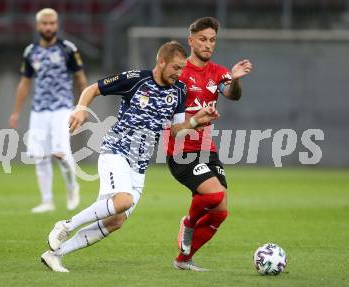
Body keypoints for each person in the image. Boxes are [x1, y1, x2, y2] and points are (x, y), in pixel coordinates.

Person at [40, 40, 220, 272]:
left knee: (116, 220)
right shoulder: (136, 79)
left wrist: (196, 121)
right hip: (116, 151)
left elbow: (176, 130)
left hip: (139, 165)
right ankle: (65, 225)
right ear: (161, 62)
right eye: (175, 67)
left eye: (182, 68)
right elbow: (92, 89)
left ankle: (54, 255)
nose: (180, 73)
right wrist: (80, 108)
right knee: (122, 201)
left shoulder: (179, 91)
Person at [164, 17, 253, 271]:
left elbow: (231, 94)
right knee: (214, 194)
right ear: (191, 40)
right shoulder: (179, 72)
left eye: (212, 40)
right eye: (202, 39)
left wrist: (235, 79)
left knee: (220, 211)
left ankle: (183, 260)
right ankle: (188, 223)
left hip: (207, 150)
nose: (208, 44)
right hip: (181, 151)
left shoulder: (219, 72)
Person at [8, 8, 87, 213]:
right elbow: (25, 83)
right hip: (39, 110)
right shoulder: (30, 52)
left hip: (62, 108)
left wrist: (82, 106)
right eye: (45, 23)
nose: (48, 27)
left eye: (52, 23)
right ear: (38, 25)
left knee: (60, 153)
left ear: (57, 25)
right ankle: (47, 200)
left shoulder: (68, 49)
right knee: (40, 156)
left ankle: (72, 188)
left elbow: (80, 79)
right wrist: (16, 112)